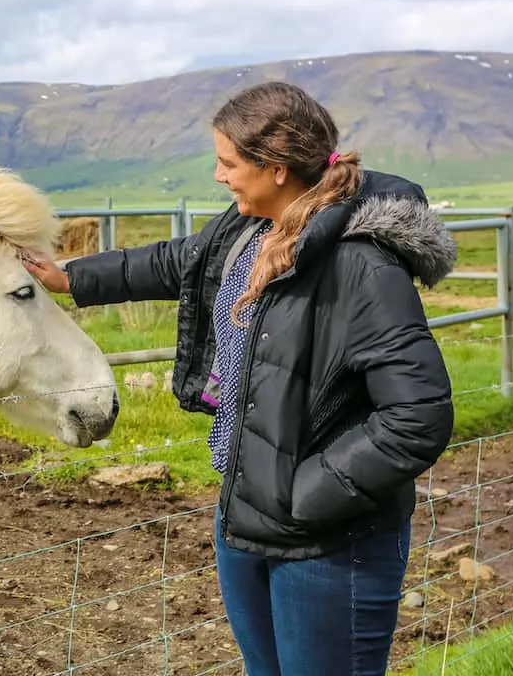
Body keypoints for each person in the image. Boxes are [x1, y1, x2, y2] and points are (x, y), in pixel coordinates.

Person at [23, 81, 457, 676]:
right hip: (245, 515)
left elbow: (417, 416)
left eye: (228, 162)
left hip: (332, 542)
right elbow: (177, 261)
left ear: (277, 168)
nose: (219, 175)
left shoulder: (361, 263)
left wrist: (302, 496)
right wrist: (71, 278)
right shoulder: (245, 231)